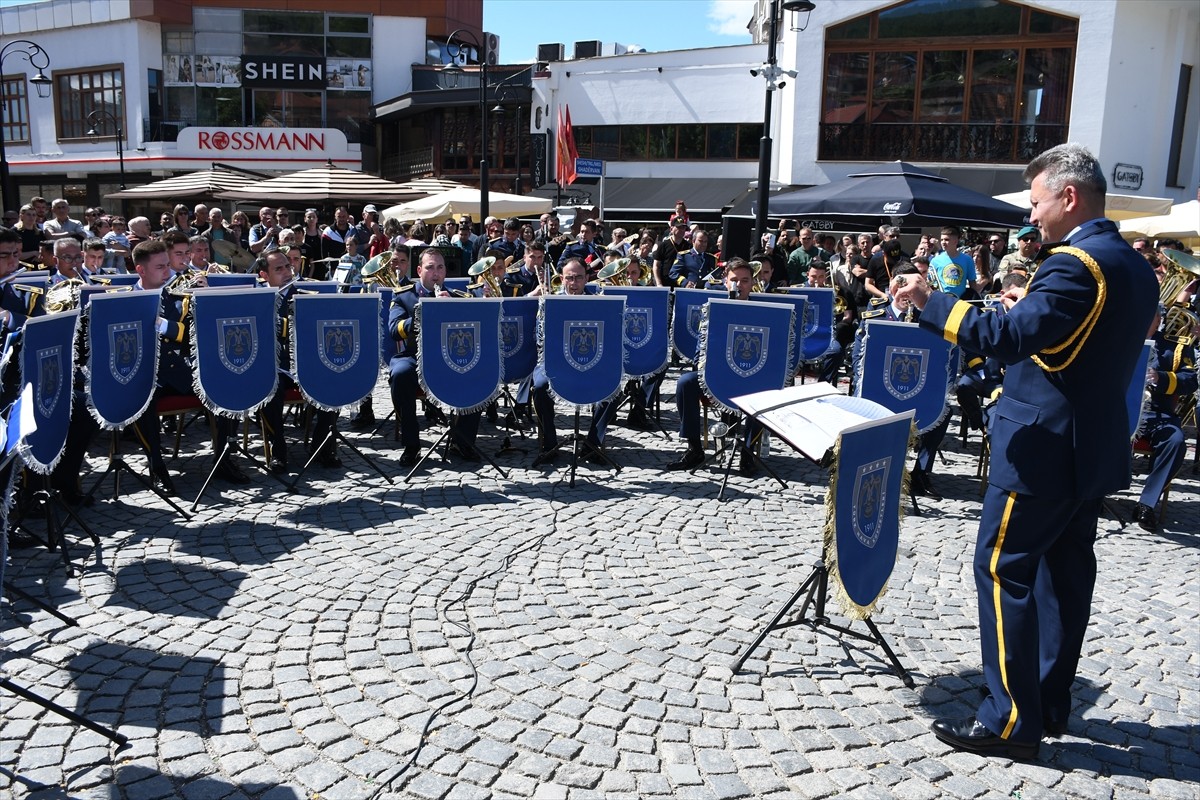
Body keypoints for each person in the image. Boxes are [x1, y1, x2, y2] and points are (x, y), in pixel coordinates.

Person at [893, 143, 1158, 758]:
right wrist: (1029, 311)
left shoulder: (1073, 263)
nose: (1031, 218)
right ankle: (1050, 700)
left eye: (1037, 204)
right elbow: (1086, 345)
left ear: (1069, 197)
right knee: (1065, 579)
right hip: (1088, 448)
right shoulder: (1131, 264)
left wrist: (929, 301)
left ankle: (1011, 719)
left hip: (1041, 448)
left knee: (1004, 570)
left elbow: (1007, 339)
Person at [666, 258, 762, 475]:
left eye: (745, 280)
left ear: (753, 283)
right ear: (725, 282)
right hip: (718, 374)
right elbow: (701, 348)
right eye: (734, 280)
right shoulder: (711, 309)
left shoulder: (764, 311)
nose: (739, 285)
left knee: (767, 391)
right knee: (685, 383)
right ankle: (694, 449)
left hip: (752, 376)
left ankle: (747, 452)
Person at [388, 248, 482, 467]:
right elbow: (395, 329)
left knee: (478, 368)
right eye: (430, 268)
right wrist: (422, 313)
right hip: (414, 357)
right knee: (400, 374)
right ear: (420, 270)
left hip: (448, 357)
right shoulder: (404, 296)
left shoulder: (459, 297)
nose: (436, 273)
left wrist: (455, 308)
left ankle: (463, 440)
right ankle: (411, 445)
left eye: (440, 268)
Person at [529, 258, 620, 465]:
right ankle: (550, 443)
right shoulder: (549, 302)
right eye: (569, 278)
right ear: (561, 279)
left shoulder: (599, 302)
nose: (574, 282)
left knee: (614, 387)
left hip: (590, 360)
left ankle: (592, 444)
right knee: (541, 385)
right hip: (554, 361)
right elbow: (540, 338)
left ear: (587, 278)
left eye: (579, 277)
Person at [257, 249, 340, 471]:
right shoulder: (257, 300)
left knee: (332, 381)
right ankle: (278, 449)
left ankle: (322, 445)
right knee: (270, 388)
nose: (287, 272)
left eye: (287, 267)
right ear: (264, 275)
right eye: (279, 269)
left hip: (303, 364)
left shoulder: (304, 297)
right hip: (273, 367)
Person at [1131, 307, 1196, 531]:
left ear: (1159, 319)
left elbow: (1190, 380)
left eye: (1152, 316)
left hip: (1158, 413)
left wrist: (1161, 377)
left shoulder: (1174, 347)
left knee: (1176, 442)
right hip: (1123, 410)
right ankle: (1097, 495)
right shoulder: (1122, 337)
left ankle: (1146, 503)